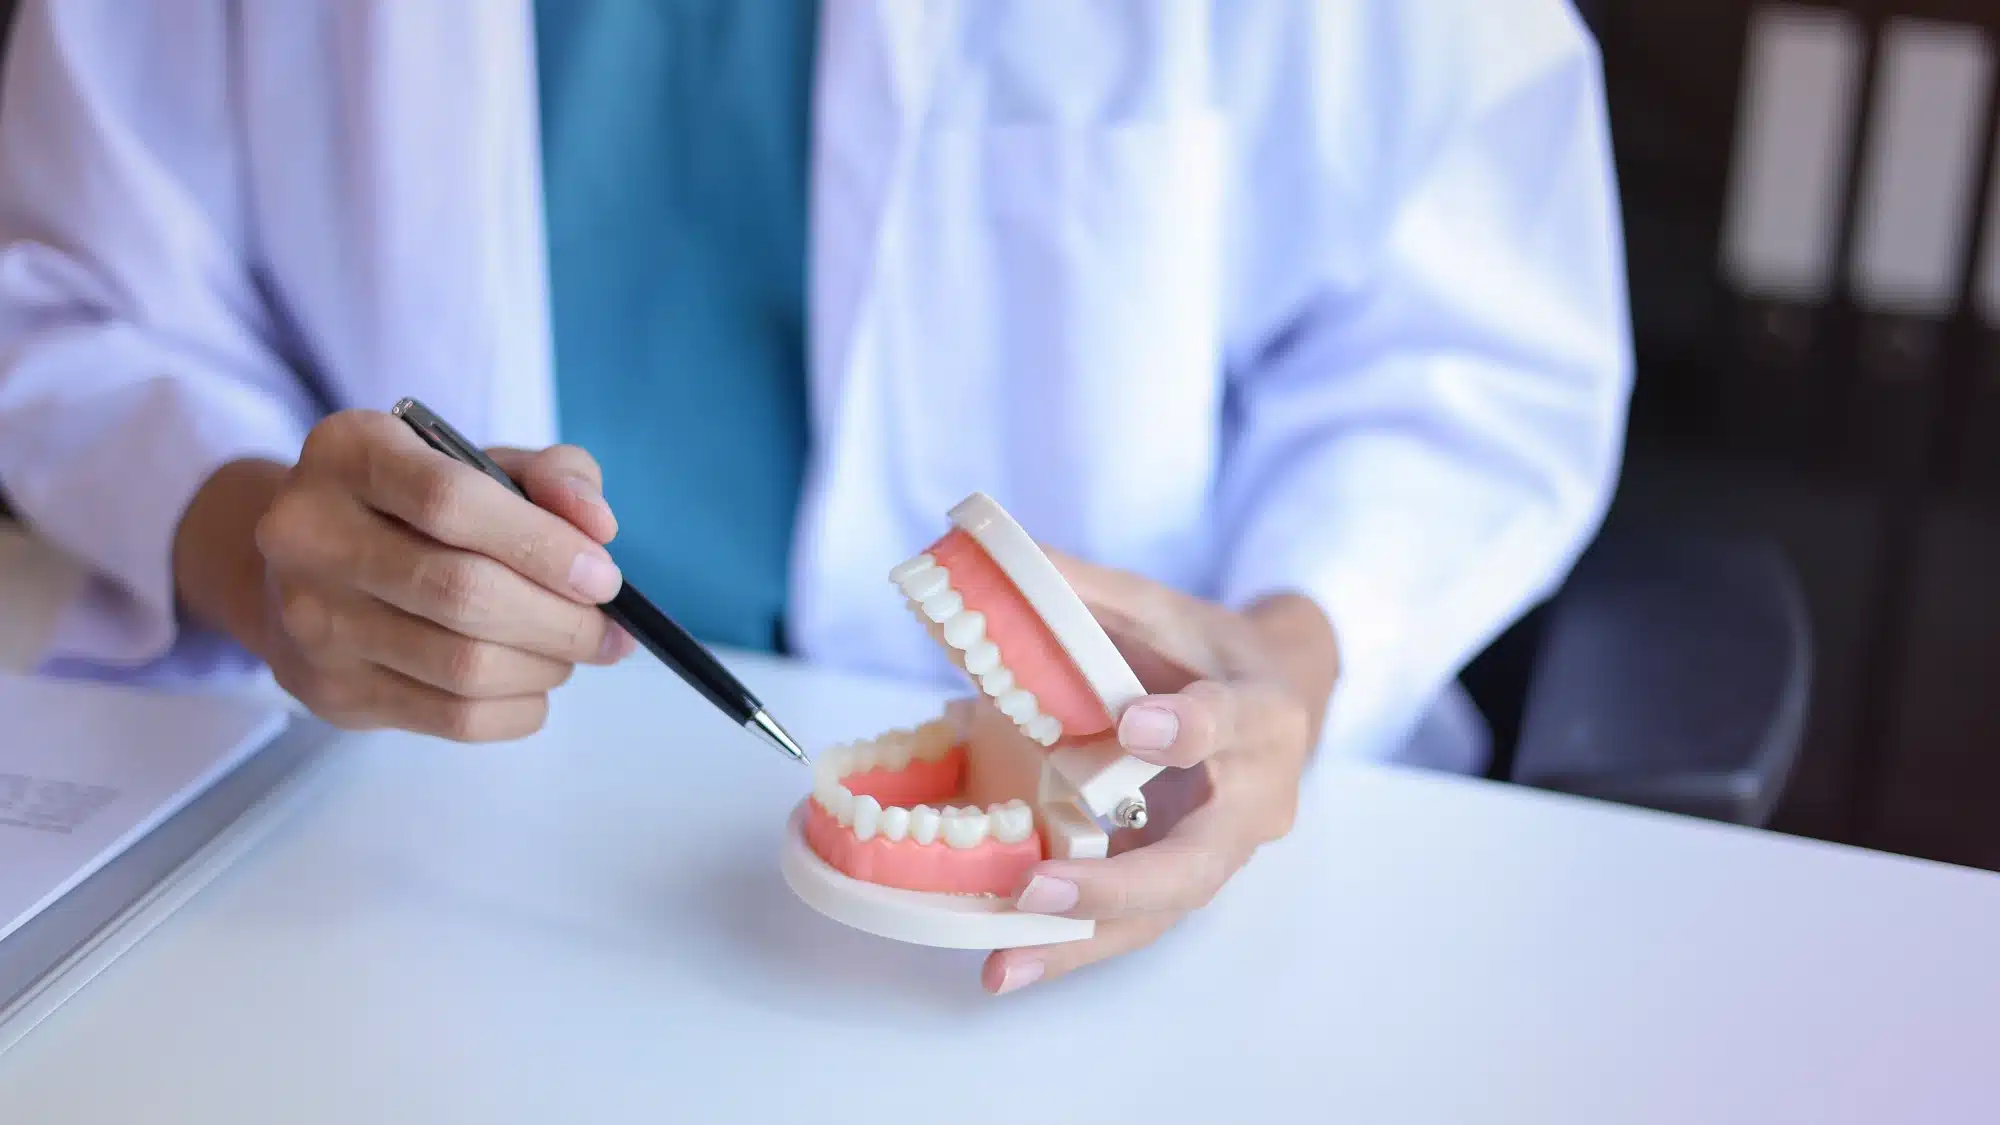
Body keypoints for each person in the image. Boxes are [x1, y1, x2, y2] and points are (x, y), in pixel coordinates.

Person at [0, 1, 1631, 995]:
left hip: (1130, 940)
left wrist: (1294, 647)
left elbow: (1466, 346)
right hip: (382, 869)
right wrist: (249, 547)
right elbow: (75, 293)